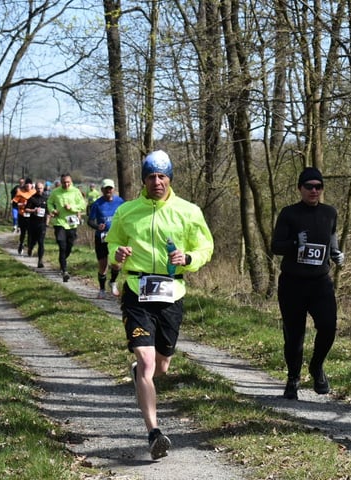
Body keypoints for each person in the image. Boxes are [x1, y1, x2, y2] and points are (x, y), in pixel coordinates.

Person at [106, 150, 214, 460]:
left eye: (162, 176)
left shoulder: (188, 211)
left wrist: (188, 258)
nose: (157, 181)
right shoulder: (127, 211)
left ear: (170, 179)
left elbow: (206, 247)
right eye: (151, 176)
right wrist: (117, 254)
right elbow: (112, 242)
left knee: (161, 365)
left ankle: (141, 373)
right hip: (136, 291)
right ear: (144, 179)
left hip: (171, 293)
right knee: (147, 362)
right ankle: (154, 433)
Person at [271, 167, 345, 400]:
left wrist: (336, 253)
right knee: (294, 335)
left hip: (320, 282)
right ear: (300, 188)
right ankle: (293, 378)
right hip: (292, 283)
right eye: (309, 186)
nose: (314, 191)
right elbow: (275, 246)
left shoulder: (329, 213)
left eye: (318, 186)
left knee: (328, 326)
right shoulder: (289, 214)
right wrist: (295, 242)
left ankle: (316, 366)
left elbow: (331, 237)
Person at [88, 178, 124, 298]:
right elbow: (90, 221)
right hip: (102, 238)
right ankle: (102, 290)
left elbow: (126, 216)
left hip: (116, 237)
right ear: (102, 190)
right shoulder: (97, 204)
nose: (108, 190)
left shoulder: (120, 202)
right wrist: (97, 226)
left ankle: (113, 282)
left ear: (113, 189)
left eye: (110, 188)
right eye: (106, 188)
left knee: (116, 263)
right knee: (103, 265)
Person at [47, 173, 87, 282]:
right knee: (62, 246)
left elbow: (82, 205)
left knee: (69, 246)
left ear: (71, 182)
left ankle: (62, 261)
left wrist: (72, 207)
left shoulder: (76, 191)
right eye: (64, 182)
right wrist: (53, 210)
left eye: (68, 182)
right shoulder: (55, 192)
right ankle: (64, 271)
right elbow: (49, 203)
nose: (66, 184)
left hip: (72, 223)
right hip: (59, 222)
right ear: (61, 182)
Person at [24, 181, 49, 268]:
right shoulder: (32, 198)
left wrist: (47, 222)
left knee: (41, 242)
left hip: (42, 223)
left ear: (43, 188)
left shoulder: (46, 198)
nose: (39, 190)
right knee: (33, 241)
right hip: (33, 223)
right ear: (35, 189)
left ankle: (40, 261)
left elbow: (48, 211)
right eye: (38, 188)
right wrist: (33, 210)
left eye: (41, 188)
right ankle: (30, 248)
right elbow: (26, 209)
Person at [12, 178, 36, 255]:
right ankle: (21, 244)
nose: (28, 187)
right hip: (22, 214)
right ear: (25, 185)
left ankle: (29, 247)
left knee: (30, 232)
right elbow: (14, 203)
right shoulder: (20, 192)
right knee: (23, 232)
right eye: (26, 185)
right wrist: (22, 204)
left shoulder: (34, 192)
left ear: (32, 185)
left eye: (29, 185)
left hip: (31, 215)